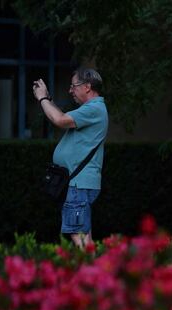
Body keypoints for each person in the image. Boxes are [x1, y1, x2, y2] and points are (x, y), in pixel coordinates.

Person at [32, 68, 108, 249]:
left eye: (74, 86)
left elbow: (59, 120)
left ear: (87, 87)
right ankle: (90, 274)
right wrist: (49, 100)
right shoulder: (92, 109)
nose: (70, 90)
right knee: (85, 238)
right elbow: (63, 118)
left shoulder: (94, 109)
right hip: (77, 184)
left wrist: (42, 98)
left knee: (80, 240)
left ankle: (94, 276)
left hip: (77, 185)